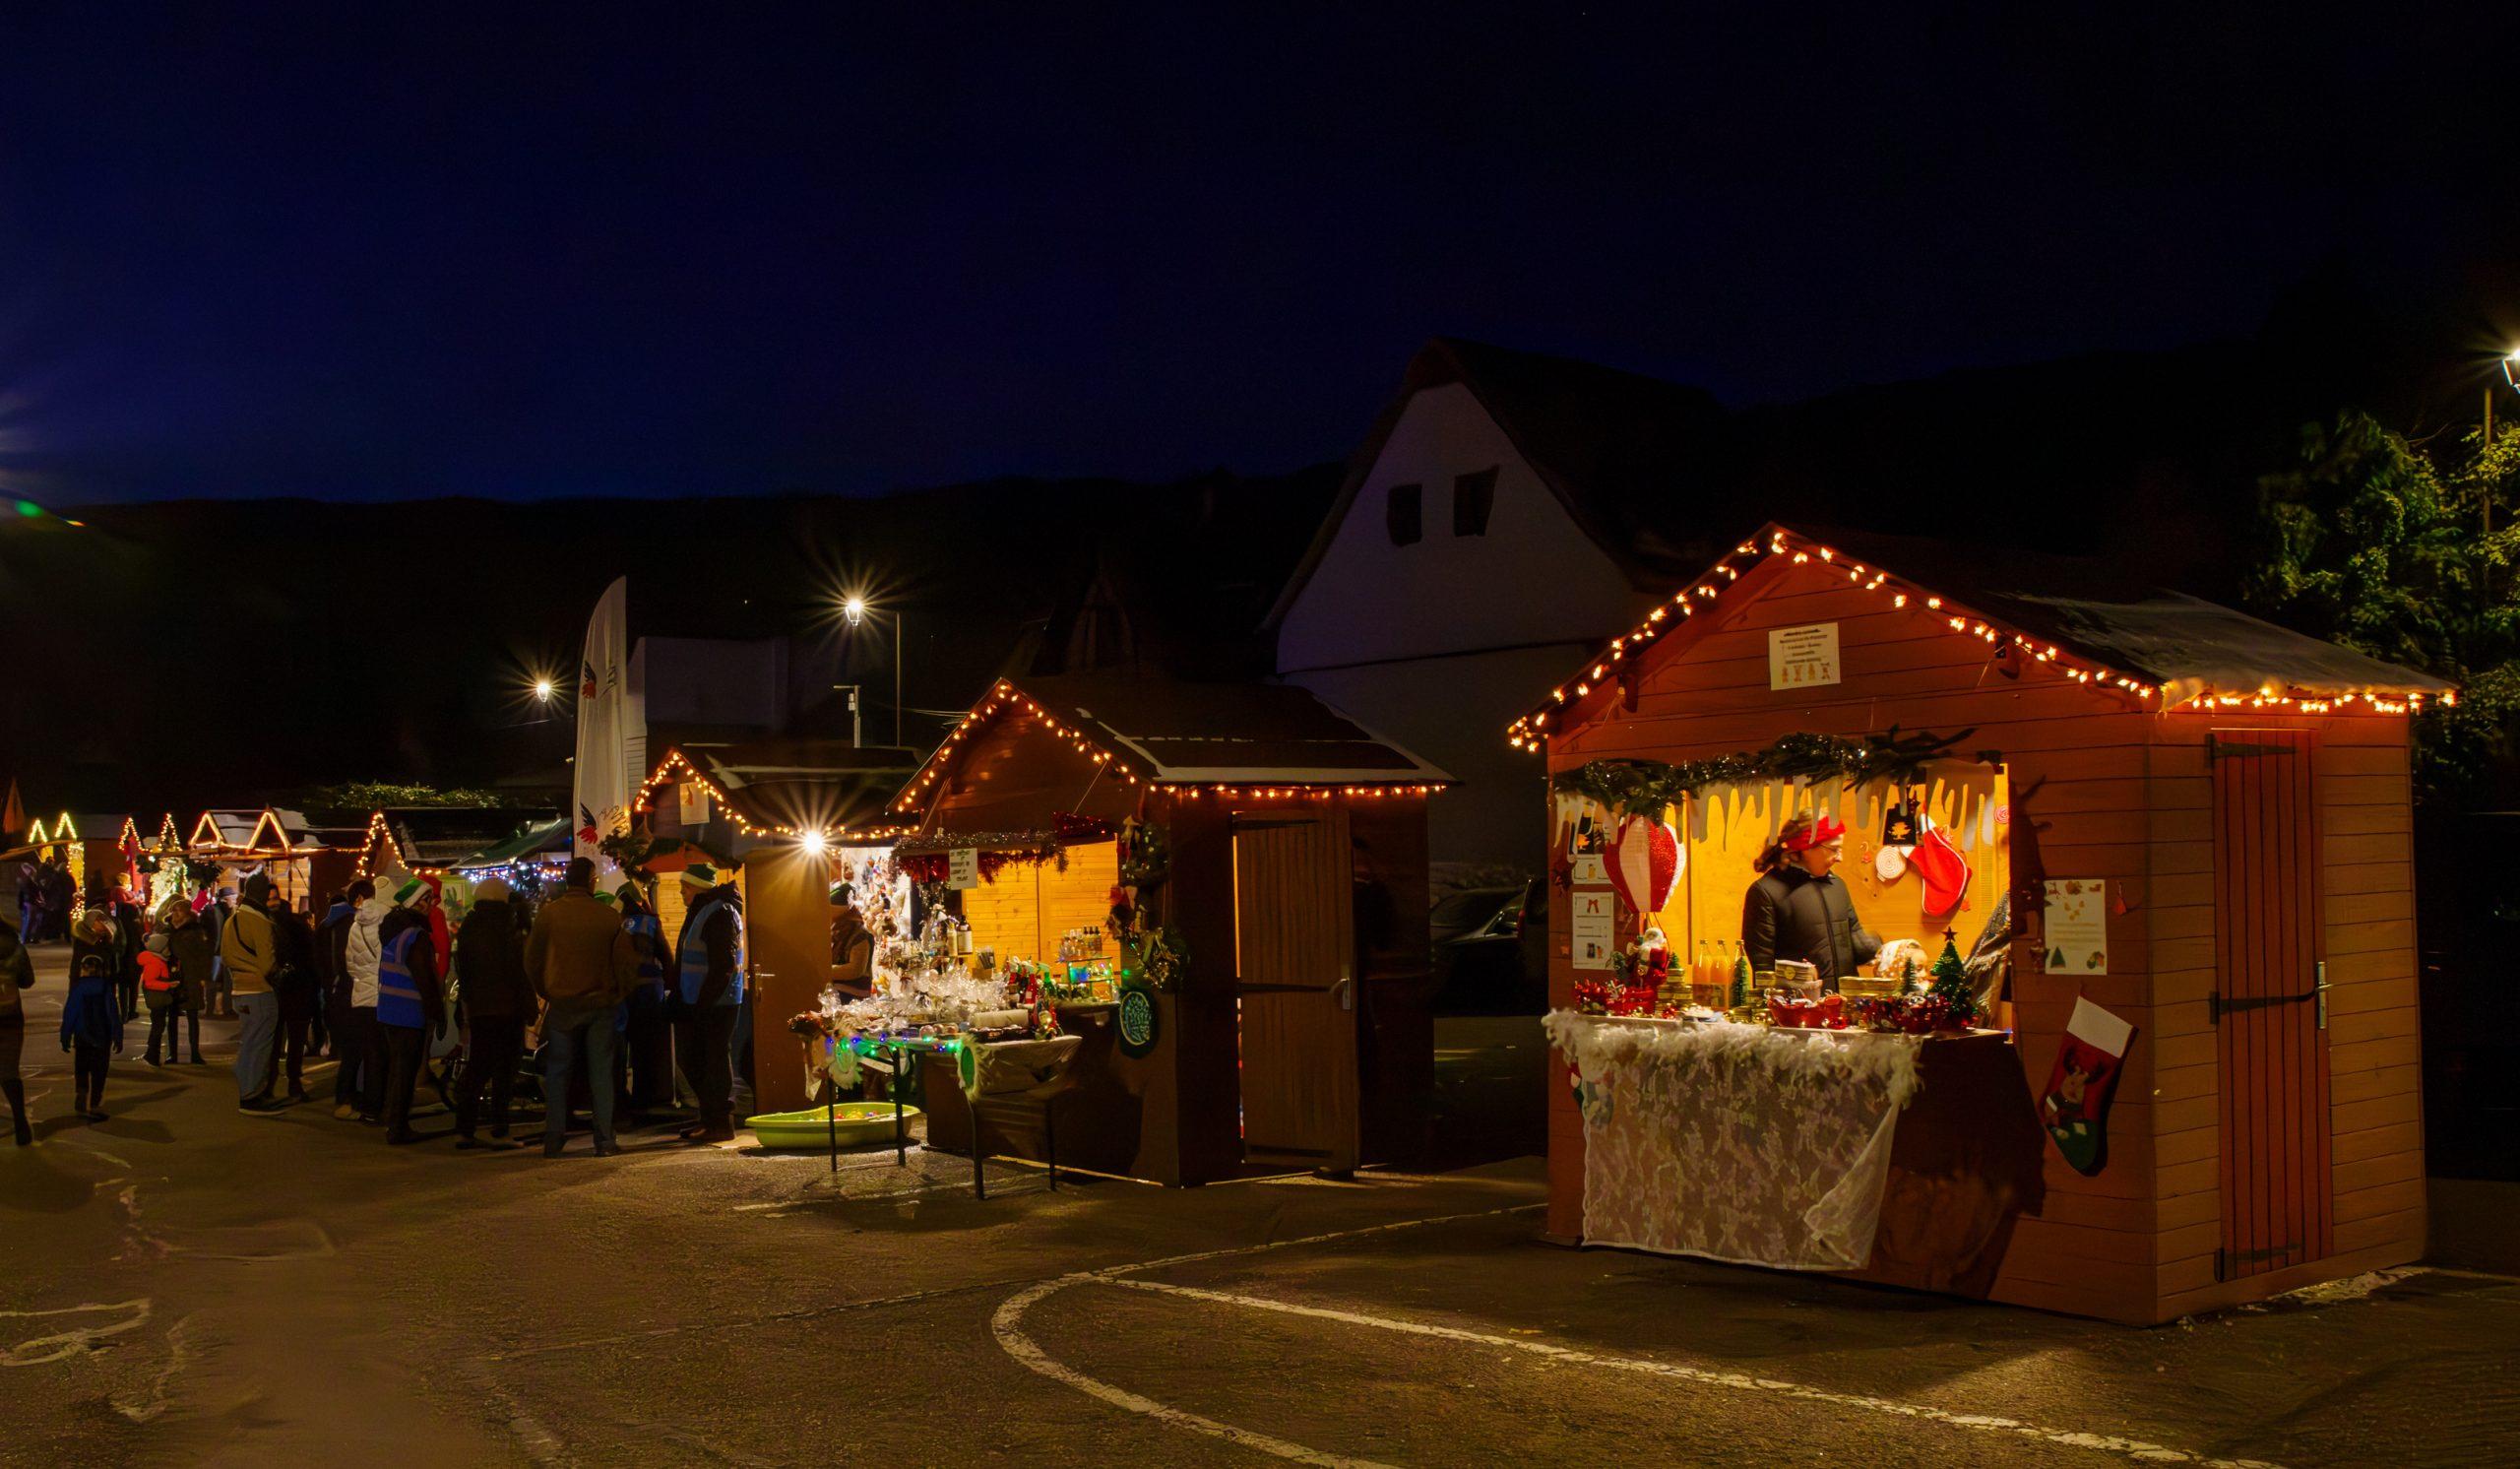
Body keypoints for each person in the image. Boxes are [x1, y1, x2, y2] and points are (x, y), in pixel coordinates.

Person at [523, 858, 639, 1158]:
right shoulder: (609, 917)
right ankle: (604, 1141)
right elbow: (625, 963)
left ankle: (553, 1138)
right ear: (591, 880)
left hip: (562, 1003)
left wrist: (546, 990)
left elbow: (532, 960)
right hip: (601, 1004)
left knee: (558, 1072)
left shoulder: (550, 915)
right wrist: (617, 993)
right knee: (601, 1072)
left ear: (565, 881)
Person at [1741, 814, 1881, 992]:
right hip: (1796, 1012)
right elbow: (1764, 973)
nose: (1840, 858)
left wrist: (1879, 947)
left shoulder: (1837, 886)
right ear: (1806, 847)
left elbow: (1856, 944)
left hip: (1844, 1007)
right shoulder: (1765, 892)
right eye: (1834, 849)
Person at [451, 876, 534, 1149]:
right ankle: (500, 1124)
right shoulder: (506, 926)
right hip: (507, 1008)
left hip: (479, 1008)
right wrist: (529, 1005)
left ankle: (465, 1127)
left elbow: (464, 969)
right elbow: (517, 970)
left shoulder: (469, 927)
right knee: (505, 1069)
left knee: (478, 1066)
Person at [669, 863, 745, 1144]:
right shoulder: (705, 910)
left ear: (700, 887)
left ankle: (720, 1122)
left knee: (712, 1060)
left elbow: (722, 965)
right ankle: (709, 1117)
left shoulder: (720, 913)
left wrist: (703, 1003)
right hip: (700, 1000)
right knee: (696, 1059)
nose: (681, 893)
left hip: (715, 1003)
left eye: (685, 887)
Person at [374, 874, 447, 1144]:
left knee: (397, 1067)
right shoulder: (415, 935)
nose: (431, 905)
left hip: (389, 1007)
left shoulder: (393, 931)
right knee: (406, 1069)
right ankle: (398, 1126)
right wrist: (436, 1012)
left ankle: (392, 1118)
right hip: (408, 1009)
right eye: (427, 900)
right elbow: (424, 978)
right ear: (416, 902)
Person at [222, 872, 288, 1115]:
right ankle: (253, 1095)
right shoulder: (261, 921)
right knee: (261, 1044)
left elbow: (227, 956)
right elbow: (267, 963)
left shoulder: (233, 919)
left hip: (239, 989)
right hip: (260, 990)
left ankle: (245, 1091)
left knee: (249, 1043)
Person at [616, 877, 673, 1118]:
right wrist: (672, 986)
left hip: (622, 992)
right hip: (649, 991)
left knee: (620, 1047)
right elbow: (665, 956)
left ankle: (620, 1100)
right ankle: (645, 1097)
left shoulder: (617, 924)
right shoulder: (650, 922)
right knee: (646, 1048)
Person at [339, 877, 388, 1121]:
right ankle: (379, 1103)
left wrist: (363, 978)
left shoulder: (354, 927)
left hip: (362, 996)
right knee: (383, 1054)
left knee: (368, 1053)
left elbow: (351, 965)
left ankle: (367, 1104)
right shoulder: (386, 919)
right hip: (385, 995)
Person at [266, 884, 319, 1103]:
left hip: (285, 988)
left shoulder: (269, 925)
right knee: (291, 1040)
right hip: (296, 988)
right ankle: (292, 1084)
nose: (273, 902)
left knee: (277, 1040)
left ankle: (272, 1084)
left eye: (274, 898)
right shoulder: (296, 924)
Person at [60, 952, 120, 1121]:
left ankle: (81, 1090)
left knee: (82, 1068)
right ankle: (94, 1104)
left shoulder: (78, 989)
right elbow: (113, 1014)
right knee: (99, 1073)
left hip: (82, 1037)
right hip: (103, 1038)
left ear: (83, 970)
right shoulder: (106, 989)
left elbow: (70, 1013)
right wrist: (117, 1035)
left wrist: (65, 1036)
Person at [158, 898, 212, 1064]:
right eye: (174, 910)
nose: (176, 913)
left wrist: (204, 977)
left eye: (179, 910)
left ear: (187, 912)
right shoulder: (167, 930)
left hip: (191, 976)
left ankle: (195, 1053)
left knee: (192, 1015)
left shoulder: (195, 930)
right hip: (173, 976)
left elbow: (204, 955)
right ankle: (172, 1053)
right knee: (172, 1016)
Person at [1, 915, 32, 1144]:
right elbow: (27, 980)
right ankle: (20, 1122)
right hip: (9, 1013)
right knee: (9, 1071)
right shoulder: (14, 945)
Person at [139, 931, 181, 1064]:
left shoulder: (158, 961)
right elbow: (149, 983)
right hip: (157, 999)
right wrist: (167, 985)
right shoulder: (154, 963)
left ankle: (153, 1054)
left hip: (158, 998)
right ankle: (152, 1054)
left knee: (158, 1026)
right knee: (158, 1026)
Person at [827, 886, 873, 1000]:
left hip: (852, 997)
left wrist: (824, 971)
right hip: (838, 993)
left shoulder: (860, 935)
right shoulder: (837, 929)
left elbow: (855, 970)